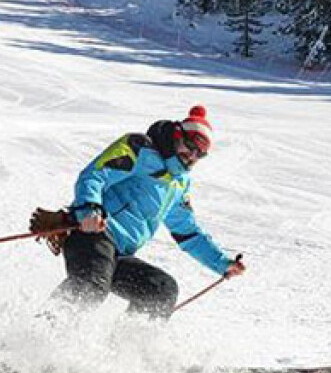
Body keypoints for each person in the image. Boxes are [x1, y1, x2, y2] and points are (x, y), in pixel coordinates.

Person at [34, 105, 245, 320]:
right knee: (93, 284)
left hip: (121, 254)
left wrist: (222, 263)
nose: (191, 156)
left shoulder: (179, 184)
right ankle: (40, 333)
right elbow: (95, 174)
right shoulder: (139, 148)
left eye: (200, 154)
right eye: (190, 146)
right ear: (177, 136)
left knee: (161, 291)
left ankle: (126, 349)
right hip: (92, 233)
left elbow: (187, 232)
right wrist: (89, 209)